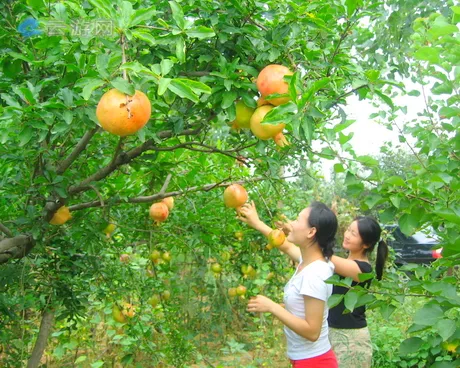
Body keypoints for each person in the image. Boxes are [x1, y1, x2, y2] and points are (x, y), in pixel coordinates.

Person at [238, 201, 388, 368]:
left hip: (350, 339)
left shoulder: (360, 270)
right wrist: (259, 224)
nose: (347, 234)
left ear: (366, 244)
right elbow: (289, 248)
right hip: (327, 337)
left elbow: (318, 255)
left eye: (354, 233)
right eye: (348, 229)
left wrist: (310, 236)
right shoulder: (324, 263)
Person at [241, 201, 339, 368]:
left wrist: (272, 307)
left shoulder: (314, 274)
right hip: (307, 360)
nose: (291, 224)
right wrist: (256, 223)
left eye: (297, 220)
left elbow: (312, 331)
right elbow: (285, 246)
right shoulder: (309, 261)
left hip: (314, 362)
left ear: (311, 232)